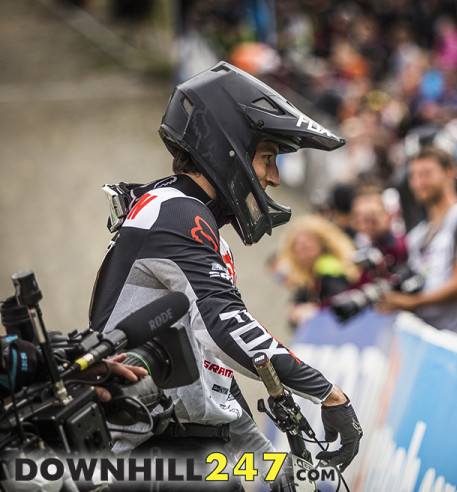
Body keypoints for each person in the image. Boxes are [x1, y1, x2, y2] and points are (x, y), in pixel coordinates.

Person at [88, 62, 362, 489]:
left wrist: (266, 460)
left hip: (187, 449)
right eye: (268, 157)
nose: (273, 177)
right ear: (227, 147)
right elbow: (225, 326)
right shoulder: (177, 210)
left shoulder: (182, 213)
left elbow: (211, 369)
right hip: (157, 450)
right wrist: (328, 393)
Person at [379, 147, 457, 340]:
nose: (419, 182)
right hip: (429, 338)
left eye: (427, 174)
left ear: (450, 172)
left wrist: (409, 302)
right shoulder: (418, 234)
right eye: (414, 176)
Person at [275, 214, 360, 327]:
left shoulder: (329, 267)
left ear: (322, 244)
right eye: (298, 251)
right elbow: (295, 307)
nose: (303, 255)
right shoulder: (309, 276)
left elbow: (338, 302)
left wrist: (313, 311)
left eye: (307, 247)